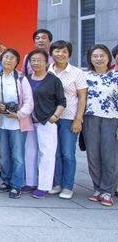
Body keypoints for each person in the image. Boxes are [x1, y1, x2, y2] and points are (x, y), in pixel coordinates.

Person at [23, 49, 66, 199]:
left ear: (47, 63)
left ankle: (44, 186)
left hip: (46, 120)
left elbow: (62, 101)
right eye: (33, 60)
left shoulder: (53, 80)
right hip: (29, 120)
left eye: (40, 60)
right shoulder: (26, 79)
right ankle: (30, 182)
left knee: (46, 153)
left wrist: (55, 116)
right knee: (29, 151)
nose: (36, 63)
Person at [48, 40, 88, 199]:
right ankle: (57, 183)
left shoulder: (77, 73)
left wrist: (78, 119)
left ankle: (67, 186)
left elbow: (82, 97)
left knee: (68, 153)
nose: (60, 54)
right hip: (50, 119)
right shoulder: (47, 71)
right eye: (57, 51)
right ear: (51, 53)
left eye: (64, 51)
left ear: (69, 54)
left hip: (69, 118)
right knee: (56, 153)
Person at [0, 49, 34, 199]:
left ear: (17, 62)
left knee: (17, 155)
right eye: (6, 57)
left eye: (12, 58)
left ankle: (17, 184)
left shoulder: (22, 79)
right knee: (3, 154)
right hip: (1, 122)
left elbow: (29, 101)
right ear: (1, 59)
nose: (8, 60)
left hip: (17, 122)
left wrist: (18, 114)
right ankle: (6, 181)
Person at [83, 44, 118, 207]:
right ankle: (97, 188)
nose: (99, 59)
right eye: (95, 56)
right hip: (90, 119)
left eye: (102, 55)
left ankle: (107, 191)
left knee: (110, 156)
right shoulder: (84, 76)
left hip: (111, 119)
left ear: (108, 58)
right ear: (90, 59)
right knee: (93, 156)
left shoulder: (116, 75)